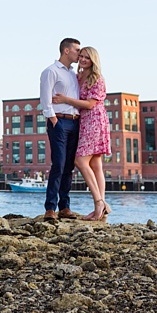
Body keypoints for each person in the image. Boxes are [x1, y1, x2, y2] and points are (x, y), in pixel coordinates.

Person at [53, 46, 111, 221]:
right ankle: (101, 207)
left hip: (95, 120)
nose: (84, 59)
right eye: (82, 56)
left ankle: (98, 202)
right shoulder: (78, 77)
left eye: (87, 57)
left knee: (80, 160)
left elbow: (90, 104)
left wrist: (65, 100)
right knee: (95, 164)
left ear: (94, 60)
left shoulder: (97, 78)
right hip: (84, 121)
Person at [39, 38, 82, 221]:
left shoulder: (74, 74)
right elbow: (45, 99)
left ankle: (65, 207)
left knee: (69, 166)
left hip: (75, 122)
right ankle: (50, 208)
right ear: (66, 50)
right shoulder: (50, 71)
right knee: (59, 164)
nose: (79, 54)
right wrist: (53, 119)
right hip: (60, 122)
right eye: (77, 50)